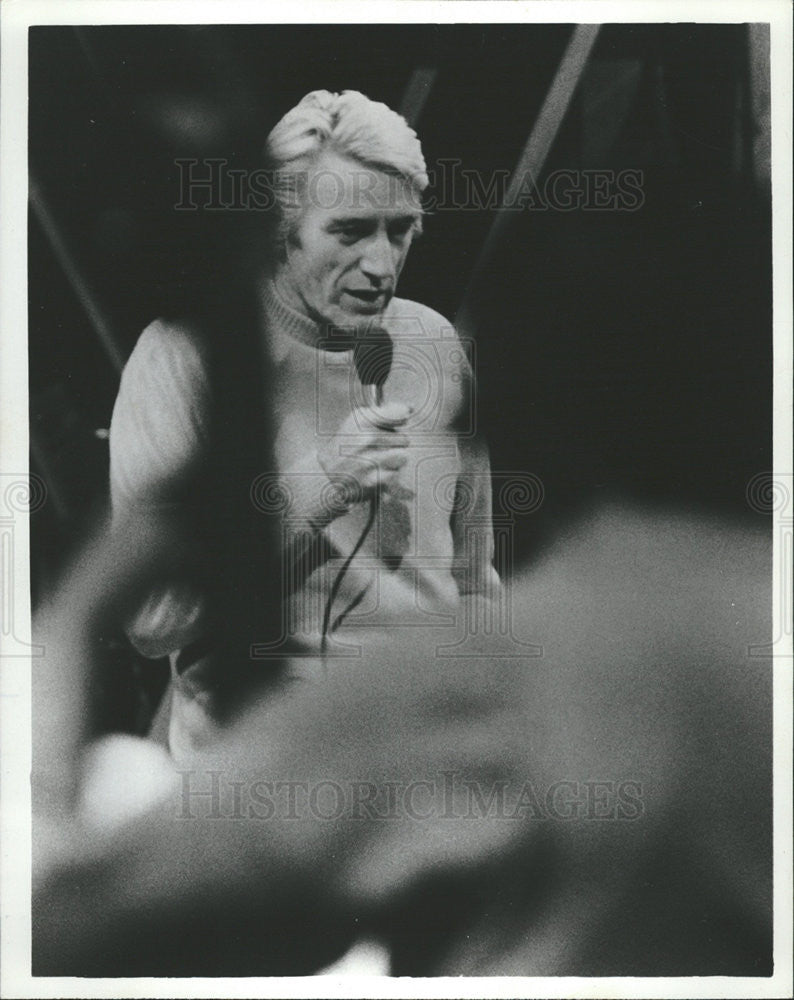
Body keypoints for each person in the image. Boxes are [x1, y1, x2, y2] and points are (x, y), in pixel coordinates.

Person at [109, 90, 500, 756]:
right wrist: (319, 488)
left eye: (399, 230)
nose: (381, 265)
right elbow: (152, 621)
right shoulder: (186, 357)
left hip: (424, 751)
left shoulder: (434, 344)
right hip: (263, 758)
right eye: (349, 231)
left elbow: (473, 580)